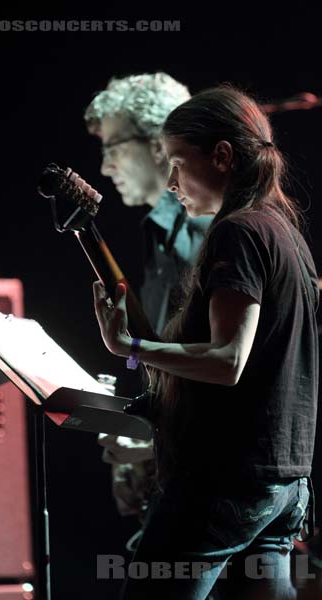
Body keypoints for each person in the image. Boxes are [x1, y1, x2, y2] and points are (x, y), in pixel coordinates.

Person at [92, 85, 319, 599]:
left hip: (224, 482)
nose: (171, 182)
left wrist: (130, 346)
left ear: (221, 156)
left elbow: (226, 360)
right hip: (284, 486)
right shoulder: (285, 232)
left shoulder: (236, 232)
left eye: (177, 163)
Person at [84, 73, 212, 520]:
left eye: (113, 148)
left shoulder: (206, 232)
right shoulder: (161, 231)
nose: (104, 167)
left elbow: (228, 364)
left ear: (159, 144)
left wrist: (155, 441)